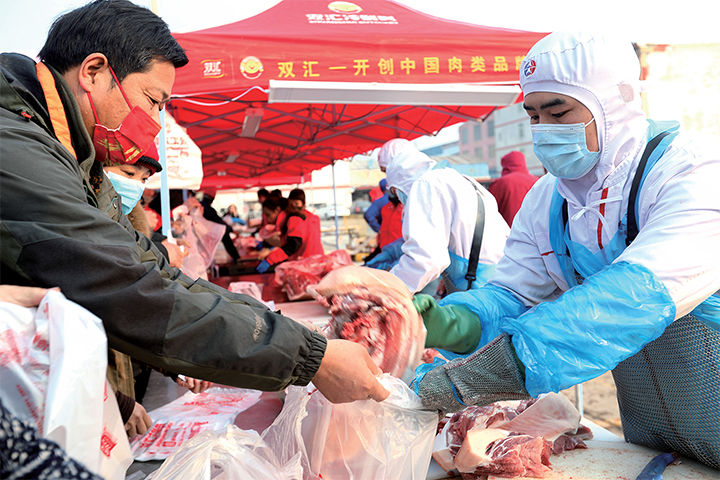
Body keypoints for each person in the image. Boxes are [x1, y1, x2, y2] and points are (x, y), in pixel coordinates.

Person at [0, 0, 388, 411]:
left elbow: (151, 266)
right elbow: (121, 284)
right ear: (93, 71)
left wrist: (294, 339)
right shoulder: (16, 143)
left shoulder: (71, 155)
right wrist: (309, 358)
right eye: (153, 100)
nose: (154, 122)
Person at [412, 31, 720, 470]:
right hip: (651, 429)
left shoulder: (694, 170)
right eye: (534, 116)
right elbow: (512, 295)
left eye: (559, 113)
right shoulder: (549, 200)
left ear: (612, 106)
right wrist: (456, 321)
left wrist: (471, 378)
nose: (544, 131)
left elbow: (634, 299)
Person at [368, 139, 510, 295]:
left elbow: (425, 259)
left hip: (479, 285)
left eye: (397, 193)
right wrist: (447, 278)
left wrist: (386, 289)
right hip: (499, 275)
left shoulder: (425, 185)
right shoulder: (459, 179)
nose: (400, 200)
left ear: (403, 185)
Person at [487, 150, 538, 227]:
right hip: (533, 231)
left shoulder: (500, 183)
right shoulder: (537, 182)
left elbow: (489, 210)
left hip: (507, 231)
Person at [198, 187, 243, 264]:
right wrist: (230, 230)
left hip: (201, 232)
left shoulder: (200, 205)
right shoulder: (208, 209)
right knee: (225, 237)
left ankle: (236, 257)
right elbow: (218, 221)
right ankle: (236, 258)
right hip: (204, 232)